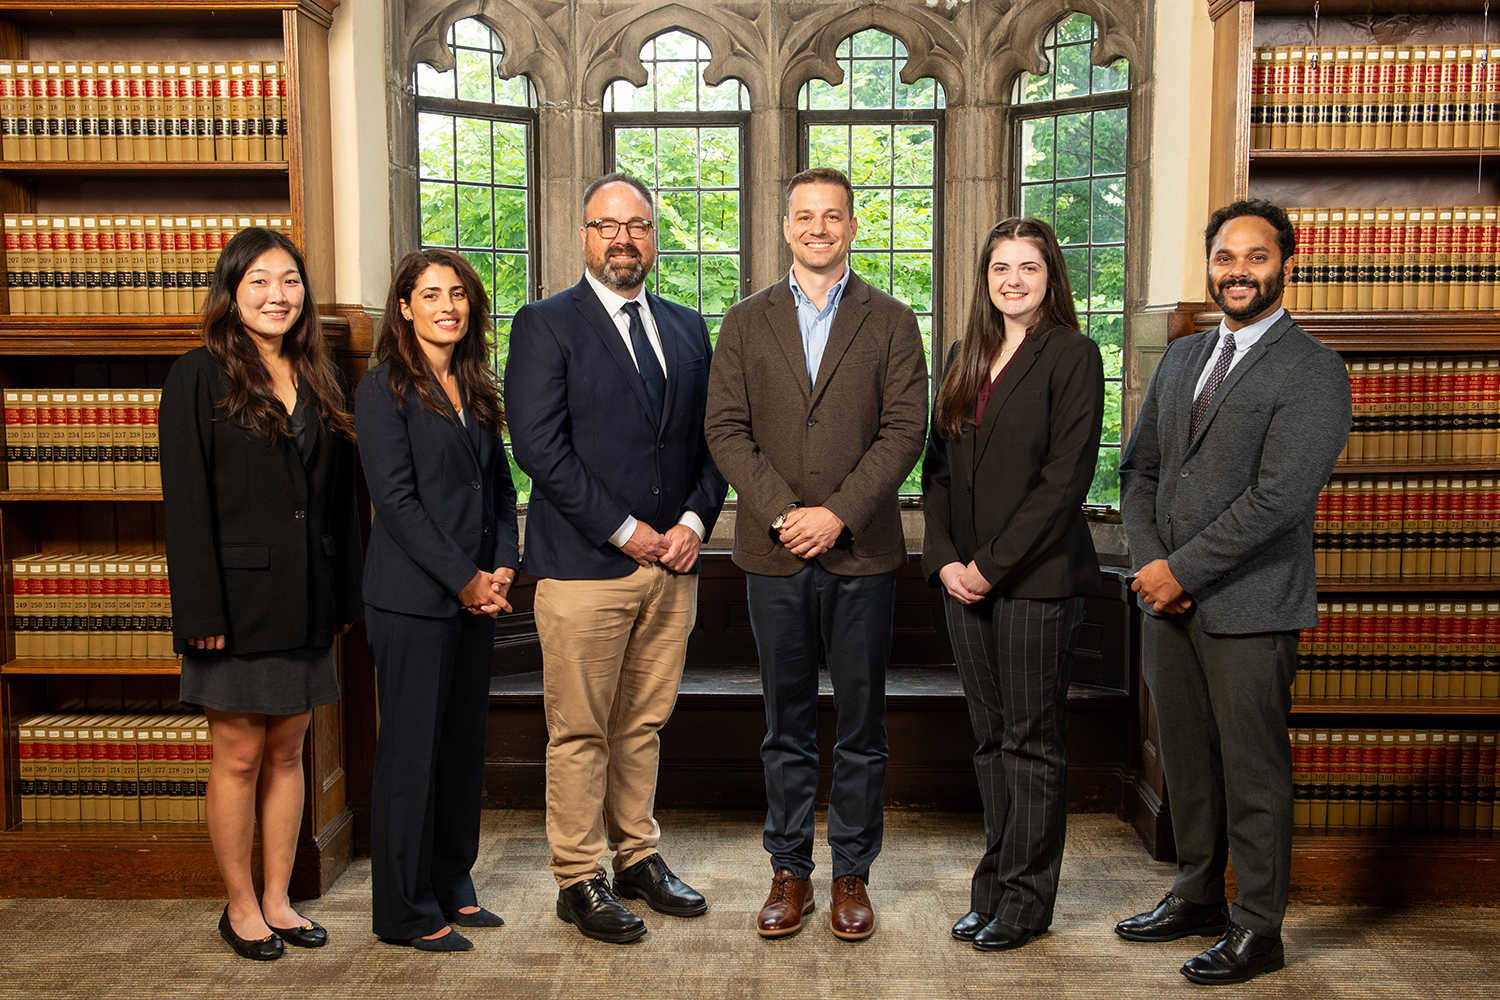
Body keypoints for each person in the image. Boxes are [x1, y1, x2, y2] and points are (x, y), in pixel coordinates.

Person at [1115, 200, 1351, 985]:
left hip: (1251, 605)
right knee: (1188, 763)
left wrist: (1181, 571)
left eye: (1255, 257)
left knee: (1252, 772)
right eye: (1225, 257)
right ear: (1210, 262)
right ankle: (1196, 896)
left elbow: (1279, 499)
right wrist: (1156, 567)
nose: (1238, 271)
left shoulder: (1313, 369)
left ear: (1286, 263)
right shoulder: (1183, 359)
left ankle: (1258, 927)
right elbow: (1141, 470)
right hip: (1169, 604)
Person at [704, 167, 928, 941]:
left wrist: (834, 514)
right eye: (806, 216)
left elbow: (905, 431)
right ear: (786, 225)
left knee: (862, 726)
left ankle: (853, 874)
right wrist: (786, 514)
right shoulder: (743, 321)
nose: (819, 228)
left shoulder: (893, 321)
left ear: (853, 227)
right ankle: (790, 871)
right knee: (785, 725)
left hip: (861, 554)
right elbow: (725, 429)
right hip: (774, 558)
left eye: (833, 216)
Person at [505, 173, 727, 944]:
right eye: (608, 225)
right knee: (580, 731)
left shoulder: (689, 326)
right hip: (583, 569)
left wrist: (697, 519)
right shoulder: (545, 324)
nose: (623, 239)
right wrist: (626, 530)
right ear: (584, 234)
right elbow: (540, 448)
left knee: (643, 725)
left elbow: (714, 439)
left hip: (675, 565)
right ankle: (579, 878)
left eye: (637, 226)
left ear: (653, 238)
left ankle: (637, 857)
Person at [160, 226, 363, 961]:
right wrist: (200, 612)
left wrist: (346, 596)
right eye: (259, 282)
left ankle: (279, 900)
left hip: (309, 595)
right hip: (233, 606)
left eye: (289, 281)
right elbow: (184, 505)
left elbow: (338, 504)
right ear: (232, 292)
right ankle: (239, 906)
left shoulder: (323, 375)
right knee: (239, 755)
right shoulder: (196, 375)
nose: (278, 295)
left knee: (290, 753)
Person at [921, 218, 1104, 953]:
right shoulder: (967, 354)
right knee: (991, 741)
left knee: (1031, 743)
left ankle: (1027, 903)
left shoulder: (1074, 355)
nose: (1014, 280)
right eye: (1001, 267)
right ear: (986, 277)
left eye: (1029, 267)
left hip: (1035, 580)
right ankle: (993, 888)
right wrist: (943, 560)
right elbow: (935, 469)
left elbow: (1065, 482)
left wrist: (990, 564)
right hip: (961, 579)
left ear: (1051, 277)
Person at [356, 249, 520, 952]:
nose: (447, 306)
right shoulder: (383, 388)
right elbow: (395, 502)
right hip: (415, 601)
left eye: (457, 294)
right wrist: (465, 579)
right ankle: (404, 910)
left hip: (478, 597)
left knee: (460, 750)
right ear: (404, 307)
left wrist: (504, 567)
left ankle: (454, 884)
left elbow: (502, 491)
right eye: (430, 295)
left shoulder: (475, 385)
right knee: (411, 757)